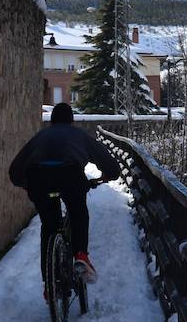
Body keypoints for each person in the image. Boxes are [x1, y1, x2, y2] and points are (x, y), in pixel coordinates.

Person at [9, 103, 119, 293]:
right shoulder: (78, 135)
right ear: (71, 120)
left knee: (49, 226)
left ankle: (49, 284)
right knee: (78, 214)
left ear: (51, 121)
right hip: (70, 178)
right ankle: (81, 255)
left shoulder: (40, 137)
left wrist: (26, 185)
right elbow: (107, 161)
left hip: (39, 181)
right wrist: (110, 174)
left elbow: (15, 171)